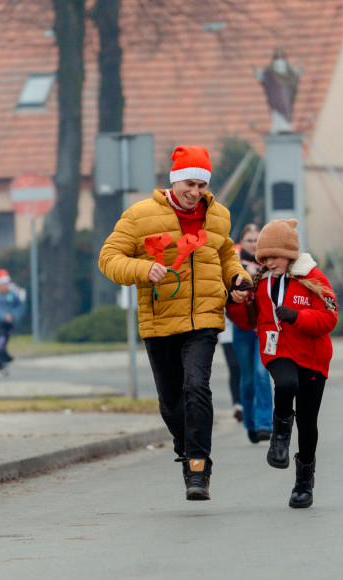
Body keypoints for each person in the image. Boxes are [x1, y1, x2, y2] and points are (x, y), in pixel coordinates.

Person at [98, 145, 251, 501]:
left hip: (204, 319)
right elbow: (108, 258)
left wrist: (238, 279)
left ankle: (198, 467)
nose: (195, 193)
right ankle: (185, 444)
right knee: (170, 400)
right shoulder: (139, 215)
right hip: (160, 320)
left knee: (197, 387)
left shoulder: (219, 216)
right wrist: (142, 268)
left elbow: (226, 255)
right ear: (175, 181)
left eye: (201, 185)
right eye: (189, 184)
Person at [228, 218, 338, 508]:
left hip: (313, 357)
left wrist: (297, 317)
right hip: (277, 350)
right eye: (263, 257)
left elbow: (329, 318)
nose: (267, 262)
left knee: (308, 421)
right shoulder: (261, 281)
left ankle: (304, 482)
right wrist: (235, 301)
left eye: (273, 256)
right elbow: (248, 320)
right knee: (286, 383)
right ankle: (279, 438)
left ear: (289, 253)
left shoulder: (312, 276)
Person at [232, 223, 274, 444]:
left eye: (257, 240)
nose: (253, 244)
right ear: (242, 242)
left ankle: (265, 423)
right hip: (242, 328)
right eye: (249, 240)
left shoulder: (270, 264)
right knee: (247, 378)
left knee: (261, 373)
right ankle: (250, 422)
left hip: (264, 327)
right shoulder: (233, 264)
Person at [218, 322, 243, 424]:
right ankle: (237, 404)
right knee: (234, 367)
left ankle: (248, 405)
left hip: (245, 330)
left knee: (247, 369)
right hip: (227, 333)